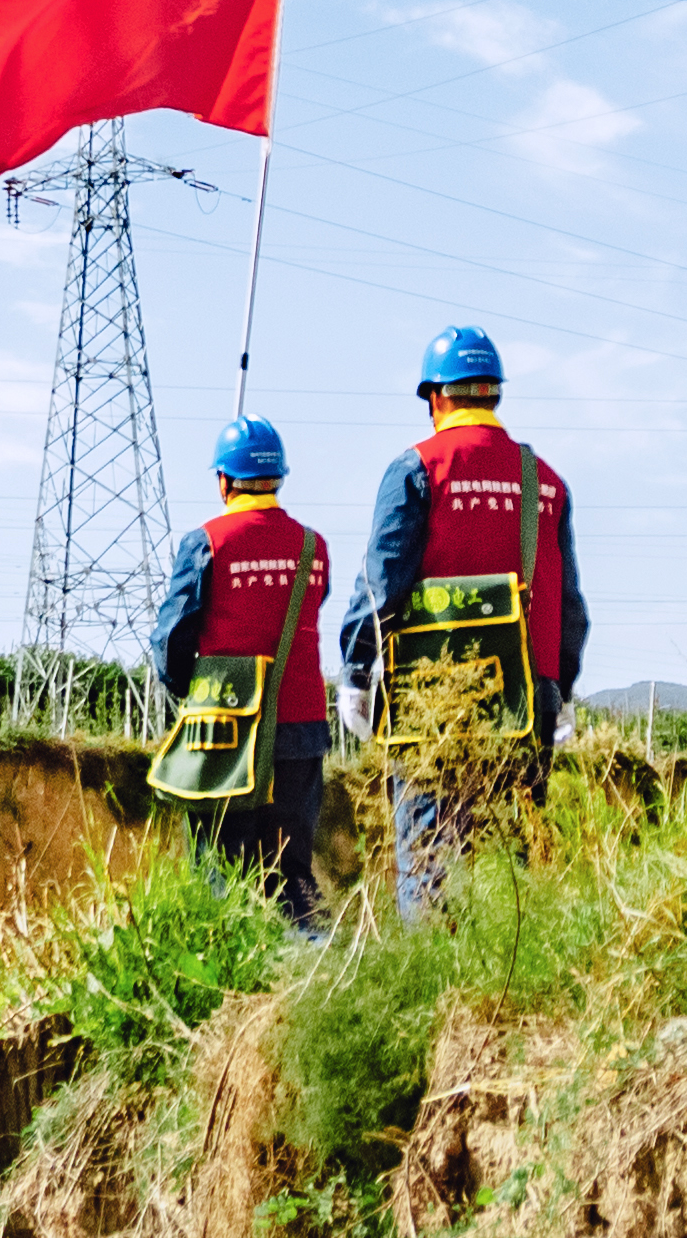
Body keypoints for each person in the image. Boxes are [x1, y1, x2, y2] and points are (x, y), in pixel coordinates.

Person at [335, 327, 584, 919]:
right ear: (493, 393)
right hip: (527, 702)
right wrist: (564, 690)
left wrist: (356, 671)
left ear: (436, 397)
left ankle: (437, 998)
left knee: (430, 858)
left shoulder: (417, 469)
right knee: (509, 860)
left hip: (433, 702)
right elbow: (569, 604)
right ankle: (511, 990)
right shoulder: (546, 482)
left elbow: (380, 584)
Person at [148, 417, 338, 931]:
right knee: (292, 870)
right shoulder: (313, 547)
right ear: (278, 477)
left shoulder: (206, 542)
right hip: (301, 730)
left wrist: (189, 694)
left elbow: (171, 642)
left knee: (221, 871)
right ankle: (312, 979)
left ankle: (236, 988)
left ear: (224, 481)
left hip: (226, 733)